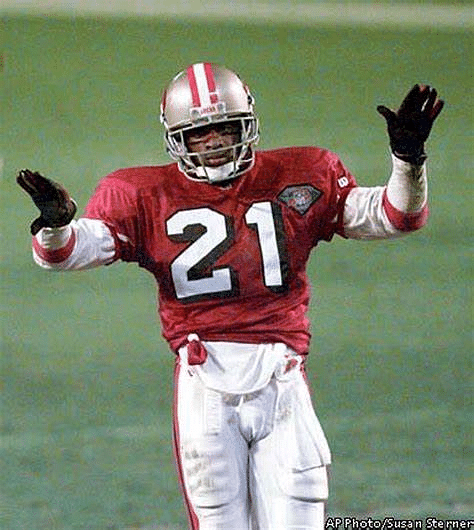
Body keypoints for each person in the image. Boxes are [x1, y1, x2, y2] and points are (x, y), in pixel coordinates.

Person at [17, 62, 444, 529]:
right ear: (176, 137)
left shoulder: (304, 172)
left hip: (282, 376)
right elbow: (63, 253)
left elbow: (396, 215)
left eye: (224, 127)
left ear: (248, 123)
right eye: (201, 133)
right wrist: (56, 225)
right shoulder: (141, 194)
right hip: (205, 384)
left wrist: (409, 160)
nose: (216, 141)